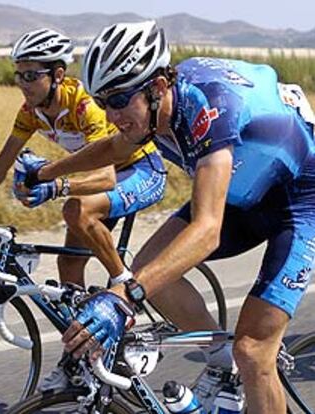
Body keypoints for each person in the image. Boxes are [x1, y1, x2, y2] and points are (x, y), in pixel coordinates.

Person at [23, 21, 315, 413]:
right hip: (240, 193)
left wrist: (122, 297)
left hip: (298, 201)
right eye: (103, 101)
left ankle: (240, 362)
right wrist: (47, 173)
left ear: (158, 87)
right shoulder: (148, 110)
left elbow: (208, 231)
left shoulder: (210, 107)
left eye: (120, 99)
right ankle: (220, 360)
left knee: (253, 351)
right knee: (149, 271)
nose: (112, 114)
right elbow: (114, 146)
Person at [0, 28, 166, 392]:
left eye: (32, 75)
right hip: (103, 181)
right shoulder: (31, 111)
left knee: (75, 210)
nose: (23, 83)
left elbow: (106, 176)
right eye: (18, 74)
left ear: (58, 75)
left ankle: (125, 293)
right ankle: (83, 355)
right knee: (68, 267)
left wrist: (56, 185)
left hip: (141, 172)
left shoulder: (85, 105)